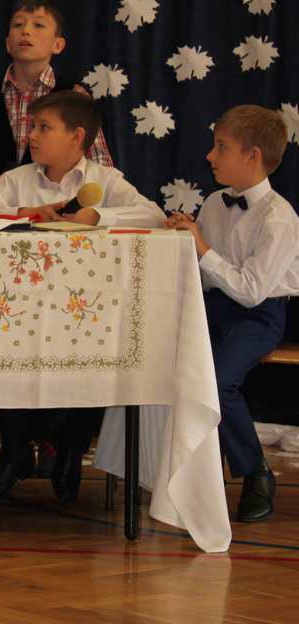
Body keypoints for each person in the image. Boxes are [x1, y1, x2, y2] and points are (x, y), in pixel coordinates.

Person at [0, 90, 164, 504]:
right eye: (32, 127)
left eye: (44, 128)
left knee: (95, 356)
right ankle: (15, 451)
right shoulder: (18, 181)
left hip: (82, 313)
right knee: (5, 353)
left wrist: (98, 215)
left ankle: (70, 449)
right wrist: (22, 215)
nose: (33, 136)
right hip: (20, 310)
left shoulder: (105, 181)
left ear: (77, 137)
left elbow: (154, 215)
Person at [166, 105, 299, 522]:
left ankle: (256, 472)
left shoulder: (279, 218)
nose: (210, 156)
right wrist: (184, 240)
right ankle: (187, 474)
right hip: (214, 306)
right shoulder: (213, 203)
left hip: (260, 314)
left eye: (221, 147)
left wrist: (202, 247)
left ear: (252, 156)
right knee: (171, 363)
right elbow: (207, 275)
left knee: (218, 382)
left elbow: (252, 291)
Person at [0, 0, 113, 195]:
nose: (26, 31)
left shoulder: (74, 96)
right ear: (8, 44)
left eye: (38, 25)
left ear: (58, 45)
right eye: (18, 24)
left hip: (57, 208)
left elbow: (101, 163)